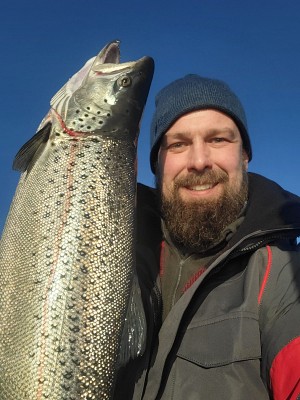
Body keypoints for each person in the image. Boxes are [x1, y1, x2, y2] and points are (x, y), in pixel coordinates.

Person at [115, 74, 300, 400]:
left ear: (244, 156)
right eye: (178, 144)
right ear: (157, 166)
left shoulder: (283, 273)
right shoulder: (105, 256)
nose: (199, 161)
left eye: (218, 140)